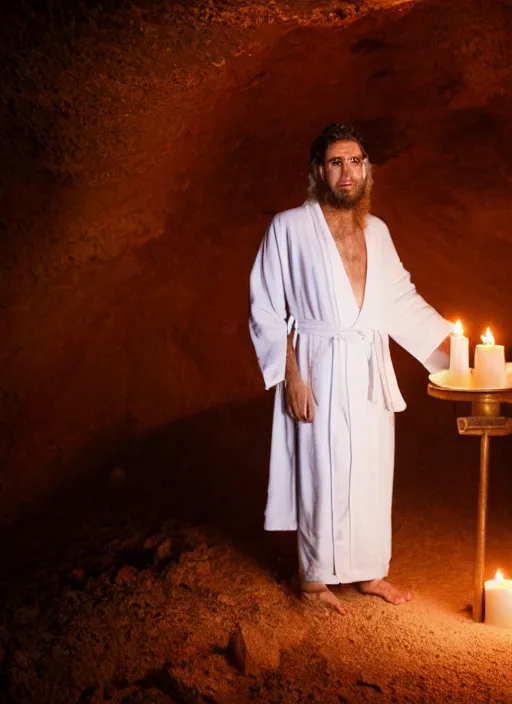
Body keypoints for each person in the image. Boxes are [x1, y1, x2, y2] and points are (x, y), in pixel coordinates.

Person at [249, 123, 452, 614]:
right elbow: (266, 308)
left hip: (367, 366)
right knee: (322, 470)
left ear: (368, 170)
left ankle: (369, 572)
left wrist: (456, 356)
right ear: (319, 169)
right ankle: (314, 581)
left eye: (356, 161)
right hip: (318, 364)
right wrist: (292, 376)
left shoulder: (377, 231)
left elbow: (400, 299)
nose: (347, 172)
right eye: (336, 162)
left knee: (371, 469)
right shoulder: (289, 227)